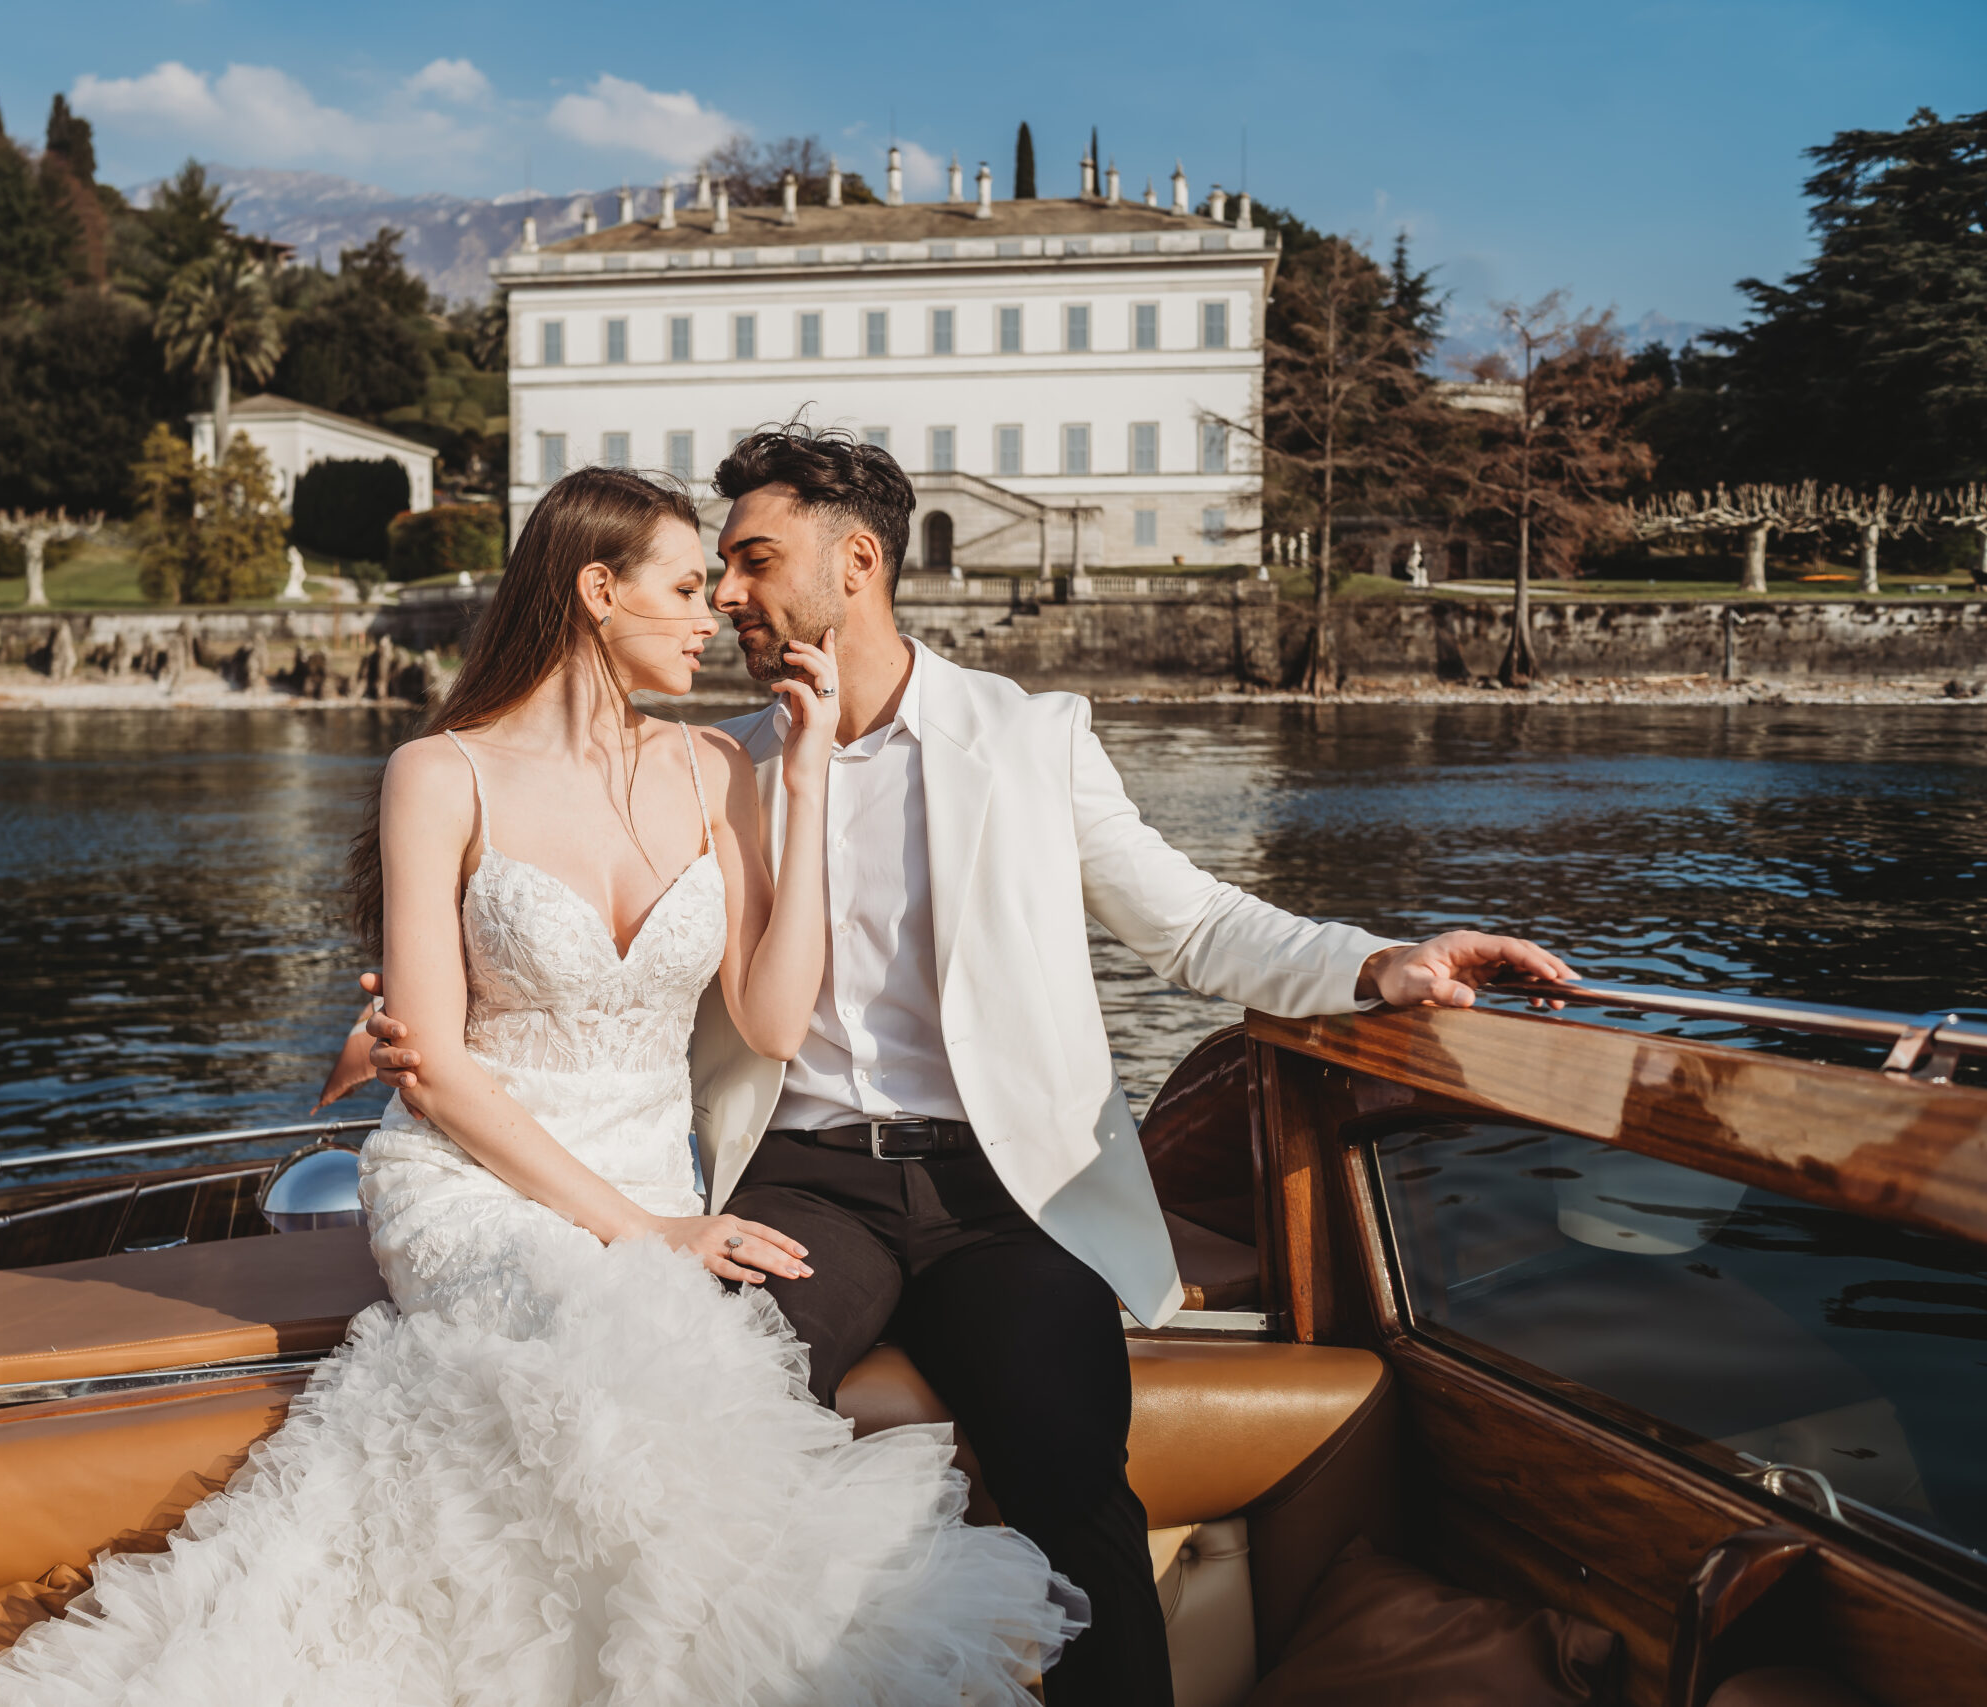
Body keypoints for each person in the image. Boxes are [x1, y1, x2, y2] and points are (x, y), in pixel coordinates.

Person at [356, 424, 1577, 1704]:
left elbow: (1196, 923)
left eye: (753, 560)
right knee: (707, 1416)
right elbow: (553, 926)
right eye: (712, 570)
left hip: (1005, 1195)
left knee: (1070, 1475)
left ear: (859, 563)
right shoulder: (725, 761)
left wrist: (1377, 961)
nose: (726, 594)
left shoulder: (1032, 741)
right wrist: (409, 1013)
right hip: (800, 1180)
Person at [0, 466, 1086, 1706]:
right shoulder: (440, 774)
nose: (717, 617)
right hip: (475, 1179)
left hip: (648, 1166)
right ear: (598, 591)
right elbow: (432, 1070)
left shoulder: (721, 769)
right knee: (617, 1345)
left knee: (668, 1372)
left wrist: (804, 787)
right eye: (689, 586)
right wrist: (645, 1229)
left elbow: (768, 1013)